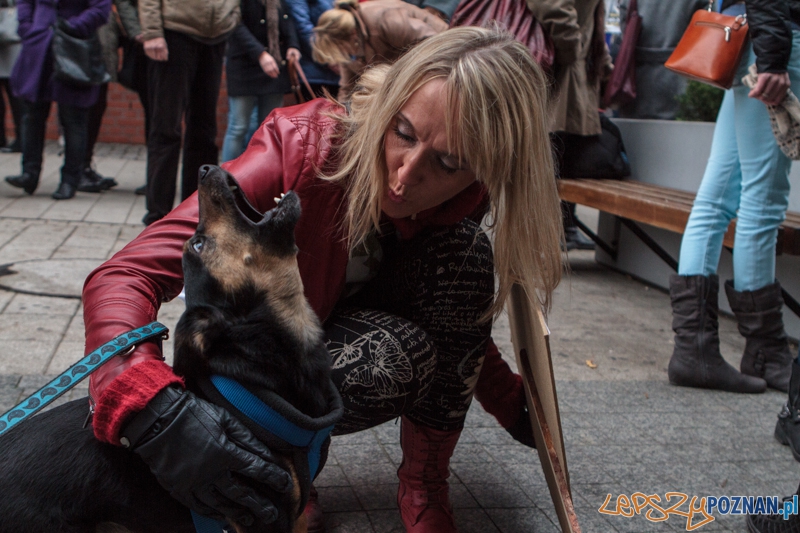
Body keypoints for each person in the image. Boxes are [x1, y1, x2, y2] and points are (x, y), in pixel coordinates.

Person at [82, 27, 562, 533]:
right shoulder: (300, 147)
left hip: (322, 348)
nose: (404, 176)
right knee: (397, 357)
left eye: (446, 163)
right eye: (402, 132)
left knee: (465, 256)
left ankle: (423, 486)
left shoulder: (463, 202)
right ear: (390, 103)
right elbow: (125, 272)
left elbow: (455, 322)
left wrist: (515, 405)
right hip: (248, 370)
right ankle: (272, 472)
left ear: (487, 170)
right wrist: (146, 403)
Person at [666, 0, 799, 395]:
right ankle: (766, 351)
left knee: (717, 198)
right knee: (763, 200)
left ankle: (694, 352)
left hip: (753, 40)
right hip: (775, 45)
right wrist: (774, 60)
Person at [138, 0, 240, 225]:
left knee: (204, 131)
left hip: (216, 36)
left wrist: (231, 14)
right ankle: (157, 217)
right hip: (175, 32)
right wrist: (153, 31)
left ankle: (196, 215)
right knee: (166, 129)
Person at [525, 0, 613, 251]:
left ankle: (563, 227)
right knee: (549, 154)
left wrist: (600, 58)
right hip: (559, 68)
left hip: (573, 68)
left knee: (563, 153)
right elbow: (550, 5)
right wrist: (573, 47)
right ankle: (540, 234)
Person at [3, 0, 111, 200]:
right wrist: (27, 26)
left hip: (74, 47)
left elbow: (100, 9)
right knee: (31, 114)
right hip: (38, 45)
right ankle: (29, 173)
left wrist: (72, 27)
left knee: (73, 119)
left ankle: (70, 180)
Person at [311, 0, 448, 98]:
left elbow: (433, 42)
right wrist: (338, 117)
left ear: (351, 35)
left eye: (339, 50)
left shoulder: (383, 19)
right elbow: (347, 88)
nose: (341, 56)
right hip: (411, 70)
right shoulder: (349, 45)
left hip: (445, 52)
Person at [221, 0, 300, 163]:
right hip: (244, 66)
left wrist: (293, 45)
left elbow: (287, 20)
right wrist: (260, 54)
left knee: (269, 127)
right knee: (238, 127)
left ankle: (259, 175)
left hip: (274, 66)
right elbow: (235, 25)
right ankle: (224, 179)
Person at [616, 0, 708, 120]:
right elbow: (706, 31)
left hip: (637, 83)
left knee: (636, 134)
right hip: (682, 80)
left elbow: (625, 27)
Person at [0, 0, 22, 154]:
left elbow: (9, 32)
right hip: (7, 54)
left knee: (18, 102)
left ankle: (21, 140)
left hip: (13, 55)